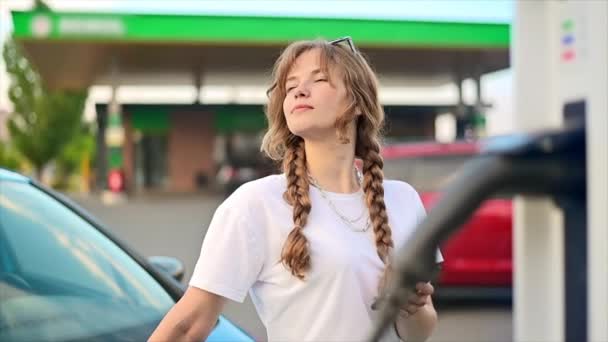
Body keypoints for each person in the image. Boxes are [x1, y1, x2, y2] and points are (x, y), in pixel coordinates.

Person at [149, 36, 442, 342]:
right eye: (290, 87)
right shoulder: (255, 204)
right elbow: (189, 325)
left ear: (357, 101)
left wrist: (410, 305)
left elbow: (420, 331)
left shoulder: (404, 200)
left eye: (319, 79)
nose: (300, 90)